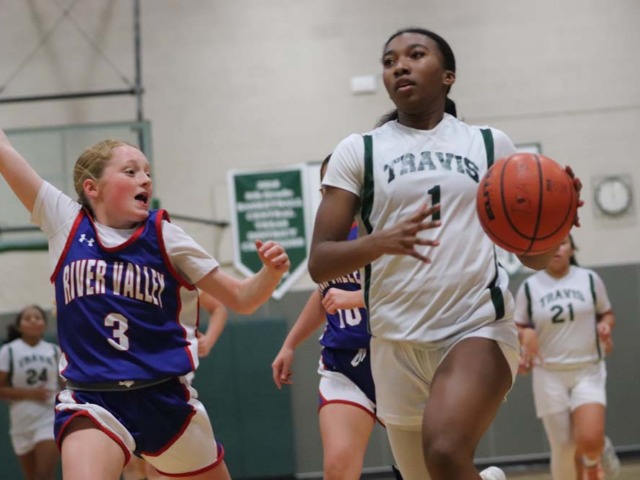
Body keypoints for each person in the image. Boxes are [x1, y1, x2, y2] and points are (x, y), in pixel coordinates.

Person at [308, 27, 581, 480]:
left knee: (445, 452)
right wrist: (380, 242)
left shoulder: (490, 144)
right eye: (389, 61)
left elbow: (532, 258)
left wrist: (555, 223)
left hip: (475, 327)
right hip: (394, 343)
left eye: (415, 55)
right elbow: (320, 262)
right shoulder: (359, 151)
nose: (400, 66)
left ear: (448, 76)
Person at [0, 128, 290, 480]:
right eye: (131, 171)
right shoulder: (65, 221)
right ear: (92, 188)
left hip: (165, 398)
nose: (146, 179)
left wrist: (270, 273)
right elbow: (4, 151)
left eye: (147, 172)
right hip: (94, 399)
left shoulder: (166, 235)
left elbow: (242, 299)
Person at [272, 155, 402, 480]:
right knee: (338, 467)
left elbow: (414, 291)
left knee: (423, 468)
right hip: (344, 364)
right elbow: (325, 295)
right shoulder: (328, 240)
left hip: (397, 361)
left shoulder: (386, 228)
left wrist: (358, 297)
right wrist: (290, 344)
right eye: (328, 188)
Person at [515, 235, 620, 480]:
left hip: (587, 368)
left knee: (589, 441)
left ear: (572, 248)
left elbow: (607, 314)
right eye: (550, 244)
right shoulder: (529, 287)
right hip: (548, 373)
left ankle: (596, 452)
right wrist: (525, 334)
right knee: (563, 447)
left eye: (562, 243)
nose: (557, 249)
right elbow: (517, 325)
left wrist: (605, 325)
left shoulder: (590, 279)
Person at [122, 291, 229, 480]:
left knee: (158, 465)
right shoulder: (113, 287)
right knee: (132, 465)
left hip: (167, 382)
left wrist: (208, 341)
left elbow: (219, 307)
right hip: (124, 379)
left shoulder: (174, 279)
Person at [0, 304, 62, 480]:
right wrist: (31, 394)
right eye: (27, 318)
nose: (33, 321)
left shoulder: (54, 350)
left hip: (48, 417)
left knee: (44, 475)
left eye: (37, 317)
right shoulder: (9, 351)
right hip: (21, 420)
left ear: (45, 324)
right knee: (32, 476)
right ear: (19, 326)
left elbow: (65, 385)